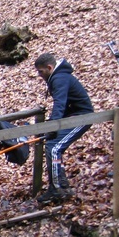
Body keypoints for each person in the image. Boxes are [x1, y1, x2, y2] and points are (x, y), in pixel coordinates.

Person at [34, 53, 94, 203]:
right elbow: (64, 105)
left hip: (82, 117)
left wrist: (53, 126)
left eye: (41, 71)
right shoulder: (57, 77)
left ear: (50, 67)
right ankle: (62, 185)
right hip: (73, 116)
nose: (39, 75)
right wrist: (51, 124)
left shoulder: (59, 78)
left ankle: (57, 189)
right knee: (53, 146)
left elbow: (60, 103)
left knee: (54, 148)